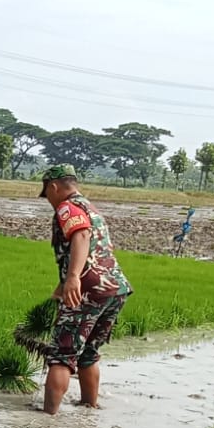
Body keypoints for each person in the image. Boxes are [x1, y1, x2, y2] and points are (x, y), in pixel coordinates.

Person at [37, 165, 133, 414]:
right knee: (88, 352)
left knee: (62, 354)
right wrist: (62, 283)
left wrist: (72, 279)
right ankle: (90, 407)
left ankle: (47, 416)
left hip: (88, 291)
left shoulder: (67, 208)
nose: (47, 199)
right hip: (115, 289)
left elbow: (80, 237)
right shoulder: (89, 207)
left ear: (54, 187)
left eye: (46, 193)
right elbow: (91, 250)